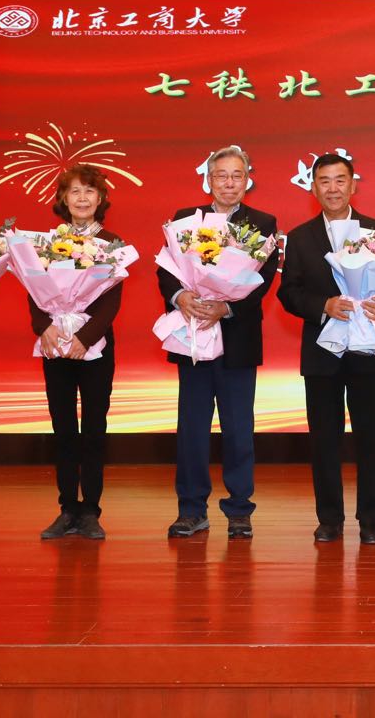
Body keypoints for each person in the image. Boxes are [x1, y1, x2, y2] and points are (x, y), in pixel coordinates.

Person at [158, 145, 280, 540]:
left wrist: (226, 308)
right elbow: (166, 270)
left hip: (237, 340)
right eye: (221, 175)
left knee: (238, 429)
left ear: (247, 180)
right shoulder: (185, 220)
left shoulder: (262, 223)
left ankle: (240, 509)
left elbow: (263, 280)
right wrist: (182, 297)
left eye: (236, 175)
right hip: (192, 336)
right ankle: (191, 509)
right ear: (208, 180)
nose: (229, 182)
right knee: (192, 429)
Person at [278, 154, 375, 544]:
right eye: (324, 181)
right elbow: (288, 292)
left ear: (353, 185)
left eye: (340, 180)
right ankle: (329, 518)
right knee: (324, 438)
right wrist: (323, 305)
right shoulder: (300, 237)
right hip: (321, 352)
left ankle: (371, 518)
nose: (333, 188)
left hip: (368, 350)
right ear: (313, 188)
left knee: (371, 436)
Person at [34, 165, 126, 541]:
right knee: (63, 428)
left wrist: (84, 338)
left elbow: (110, 302)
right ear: (63, 199)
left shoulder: (112, 243)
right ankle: (67, 508)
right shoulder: (48, 242)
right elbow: (34, 290)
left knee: (93, 428)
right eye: (74, 191)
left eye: (89, 191)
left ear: (100, 198)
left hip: (95, 347)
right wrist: (45, 327)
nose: (82, 198)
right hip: (55, 344)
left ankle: (90, 511)